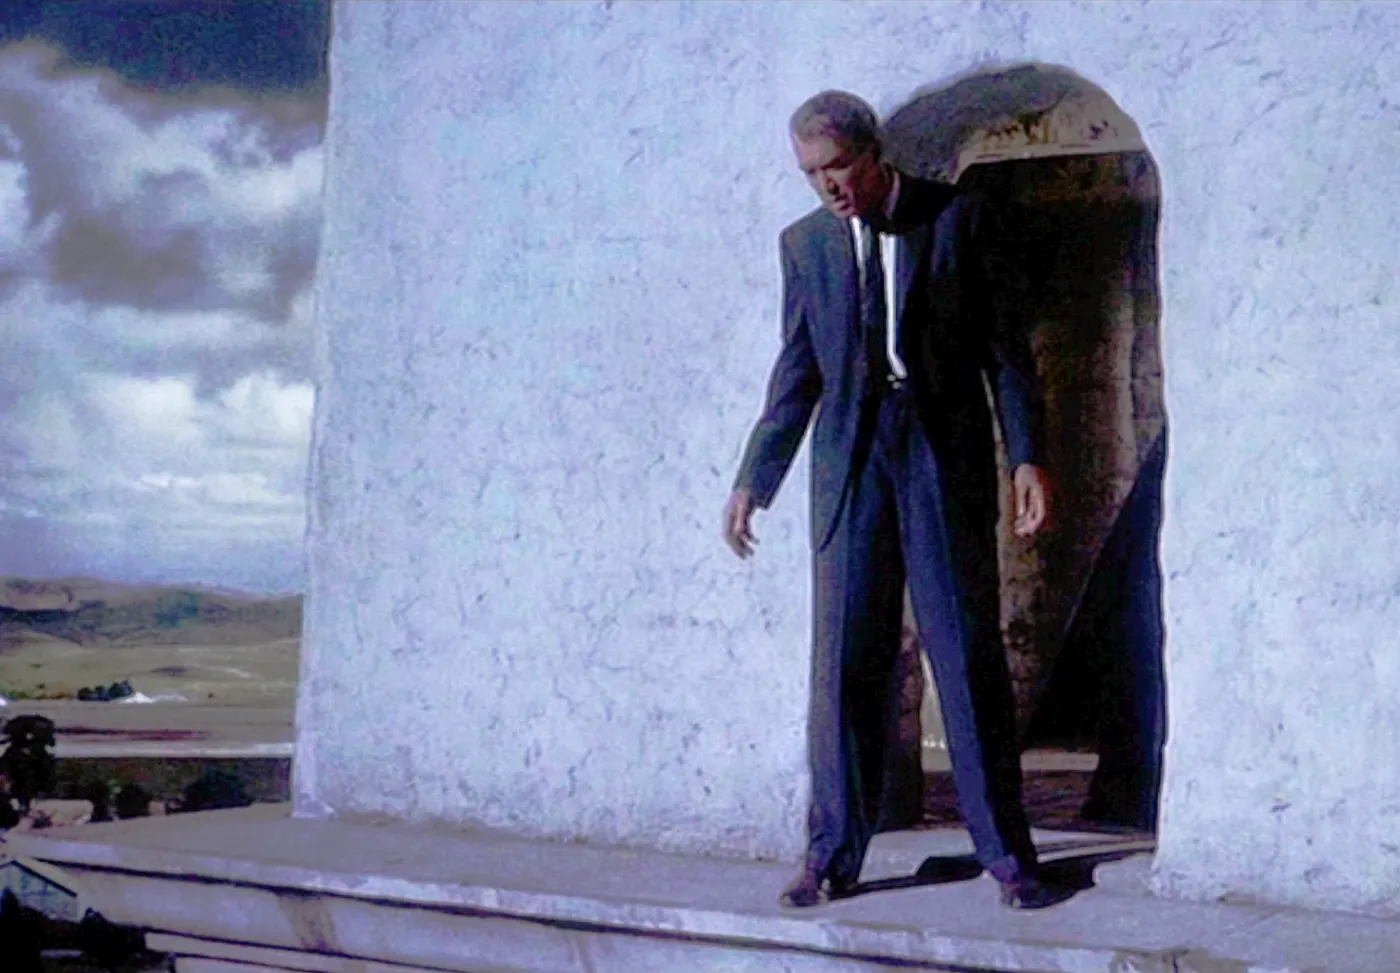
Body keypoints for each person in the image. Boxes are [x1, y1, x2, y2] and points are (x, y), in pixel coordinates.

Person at [723, 90, 1058, 910]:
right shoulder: (802, 246)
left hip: (939, 457)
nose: (827, 186)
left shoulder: (956, 218)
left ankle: (1009, 859)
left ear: (874, 156)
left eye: (837, 166)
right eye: (810, 173)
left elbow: (1005, 352)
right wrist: (752, 479)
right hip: (849, 467)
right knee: (842, 665)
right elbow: (796, 371)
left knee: (965, 653)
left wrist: (1028, 456)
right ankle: (832, 855)